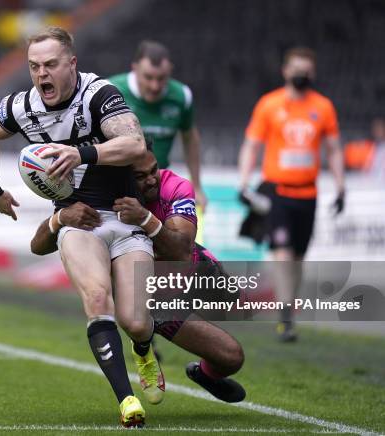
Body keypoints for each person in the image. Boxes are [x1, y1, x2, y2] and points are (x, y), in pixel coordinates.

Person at [0, 27, 161, 427]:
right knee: (97, 298)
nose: (42, 75)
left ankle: (144, 349)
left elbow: (135, 145)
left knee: (136, 322)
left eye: (51, 65)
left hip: (124, 219)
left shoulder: (99, 95)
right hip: (78, 223)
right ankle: (127, 400)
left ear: (72, 64)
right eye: (34, 67)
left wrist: (81, 153)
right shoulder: (23, 106)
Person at [31, 145, 246, 404]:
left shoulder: (174, 187)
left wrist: (145, 218)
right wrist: (61, 218)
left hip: (186, 267)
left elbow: (181, 252)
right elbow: (38, 246)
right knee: (232, 355)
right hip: (157, 298)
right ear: (122, 178)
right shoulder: (99, 198)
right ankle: (143, 347)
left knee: (235, 306)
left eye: (153, 170)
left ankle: (204, 375)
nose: (151, 179)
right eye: (140, 176)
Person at [238, 47, 345, 342]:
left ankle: (289, 310)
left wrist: (340, 186)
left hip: (308, 194)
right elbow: (252, 145)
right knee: (282, 253)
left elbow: (334, 149)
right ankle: (285, 315)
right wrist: (244, 182)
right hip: (277, 193)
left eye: (307, 70)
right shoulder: (270, 105)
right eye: (297, 69)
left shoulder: (323, 107)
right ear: (285, 71)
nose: (302, 75)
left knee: (298, 257)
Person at [109, 40, 207, 210]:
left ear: (170, 71)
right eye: (148, 77)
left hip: (156, 187)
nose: (155, 86)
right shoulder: (111, 91)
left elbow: (190, 138)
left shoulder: (181, 96)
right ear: (134, 68)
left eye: (161, 78)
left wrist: (197, 186)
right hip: (115, 189)